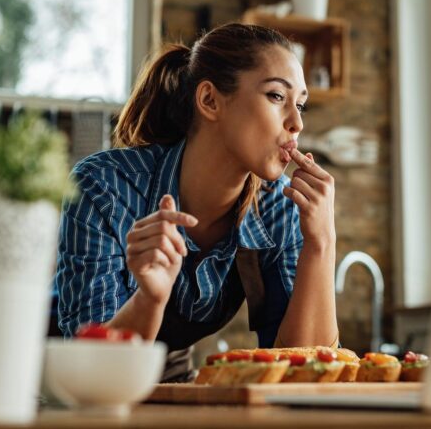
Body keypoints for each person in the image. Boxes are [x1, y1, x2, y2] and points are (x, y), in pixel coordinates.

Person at [54, 22, 338, 382]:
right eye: (276, 97)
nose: (296, 122)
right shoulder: (105, 187)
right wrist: (149, 299)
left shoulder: (279, 208)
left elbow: (306, 372)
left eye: (301, 105)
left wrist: (322, 243)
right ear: (209, 100)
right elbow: (90, 373)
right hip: (60, 382)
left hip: (169, 378)